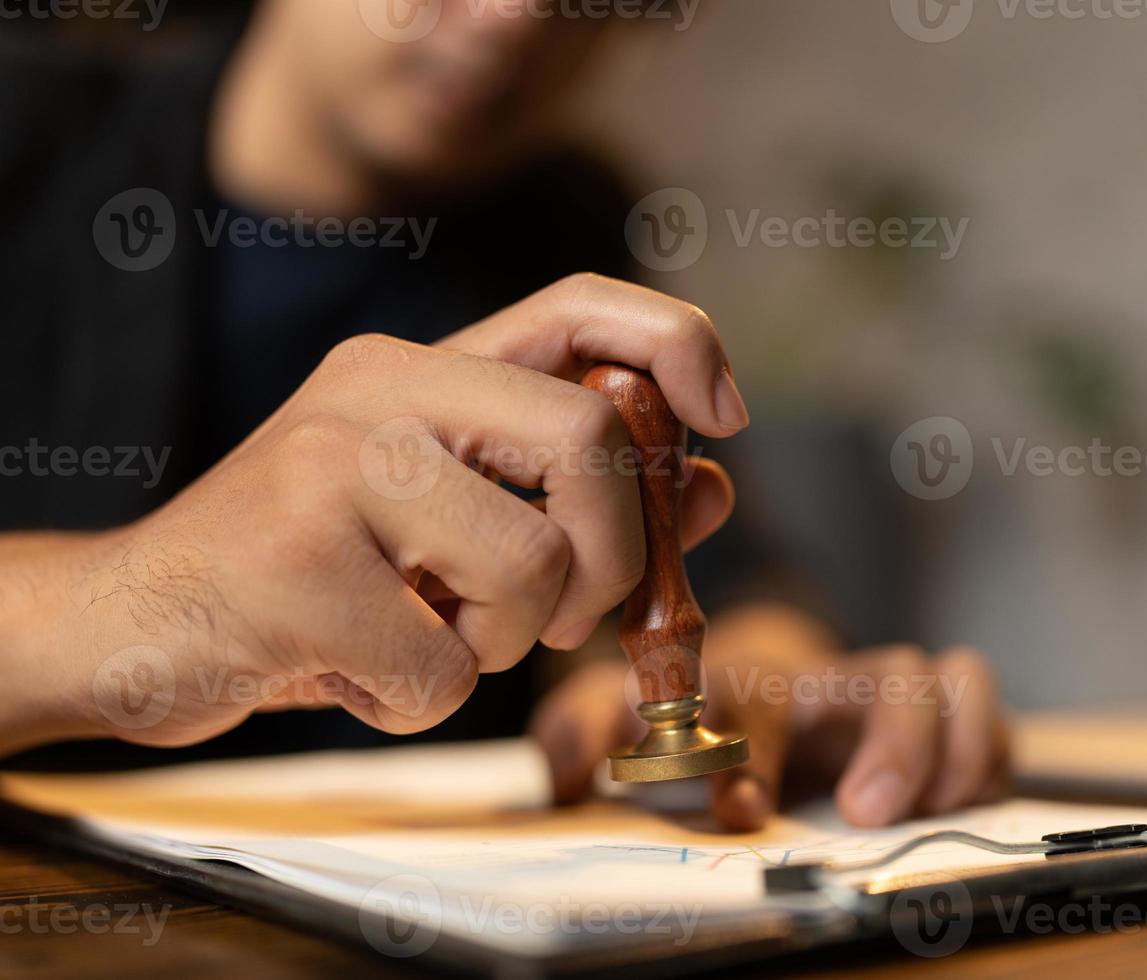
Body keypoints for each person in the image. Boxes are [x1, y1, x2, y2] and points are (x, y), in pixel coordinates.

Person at [0, 0, 1006, 832]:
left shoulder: (562, 220)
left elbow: (723, 573)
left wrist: (764, 672)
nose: (514, 20)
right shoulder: (24, 129)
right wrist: (143, 597)